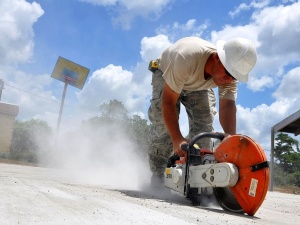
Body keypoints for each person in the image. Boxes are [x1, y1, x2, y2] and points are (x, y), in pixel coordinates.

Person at [147, 36, 257, 186]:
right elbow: (168, 102)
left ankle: (196, 180)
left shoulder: (230, 72)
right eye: (228, 74)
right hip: (168, 72)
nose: (229, 80)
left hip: (197, 83)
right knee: (164, 128)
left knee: (204, 126)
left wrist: (230, 139)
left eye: (234, 77)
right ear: (218, 57)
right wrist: (177, 139)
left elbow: (227, 106)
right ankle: (158, 177)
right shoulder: (186, 58)